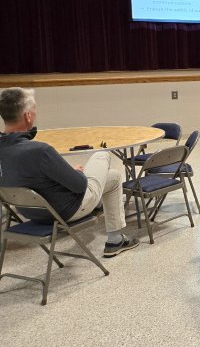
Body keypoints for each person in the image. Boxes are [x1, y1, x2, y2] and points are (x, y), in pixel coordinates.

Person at [0, 88, 138, 257]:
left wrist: (65, 171)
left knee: (114, 178)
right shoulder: (40, 150)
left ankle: (114, 234)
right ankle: (114, 238)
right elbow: (80, 186)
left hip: (30, 212)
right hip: (66, 211)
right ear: (28, 116)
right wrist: (78, 172)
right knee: (101, 155)